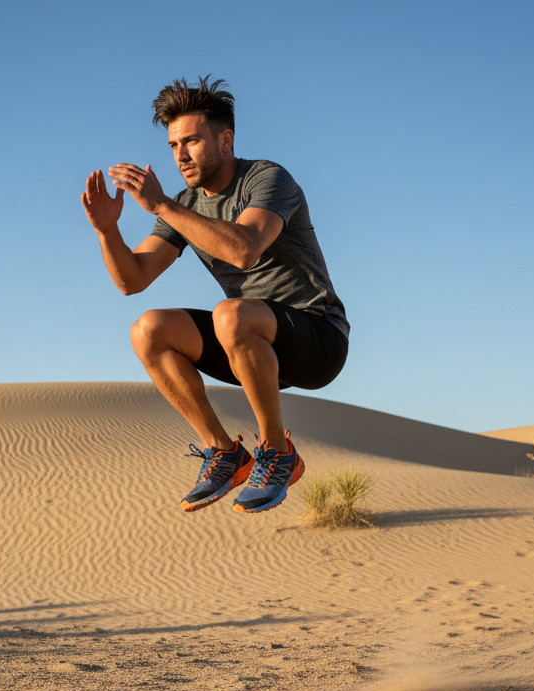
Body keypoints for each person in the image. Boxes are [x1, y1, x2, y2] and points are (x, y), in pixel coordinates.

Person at [81, 76, 349, 514]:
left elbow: (244, 250)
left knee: (231, 314)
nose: (180, 155)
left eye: (191, 141)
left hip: (317, 339)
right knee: (149, 330)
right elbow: (132, 280)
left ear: (225, 140)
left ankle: (277, 452)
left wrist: (162, 205)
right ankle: (224, 452)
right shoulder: (185, 203)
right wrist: (107, 232)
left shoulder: (267, 178)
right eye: (173, 145)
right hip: (248, 348)